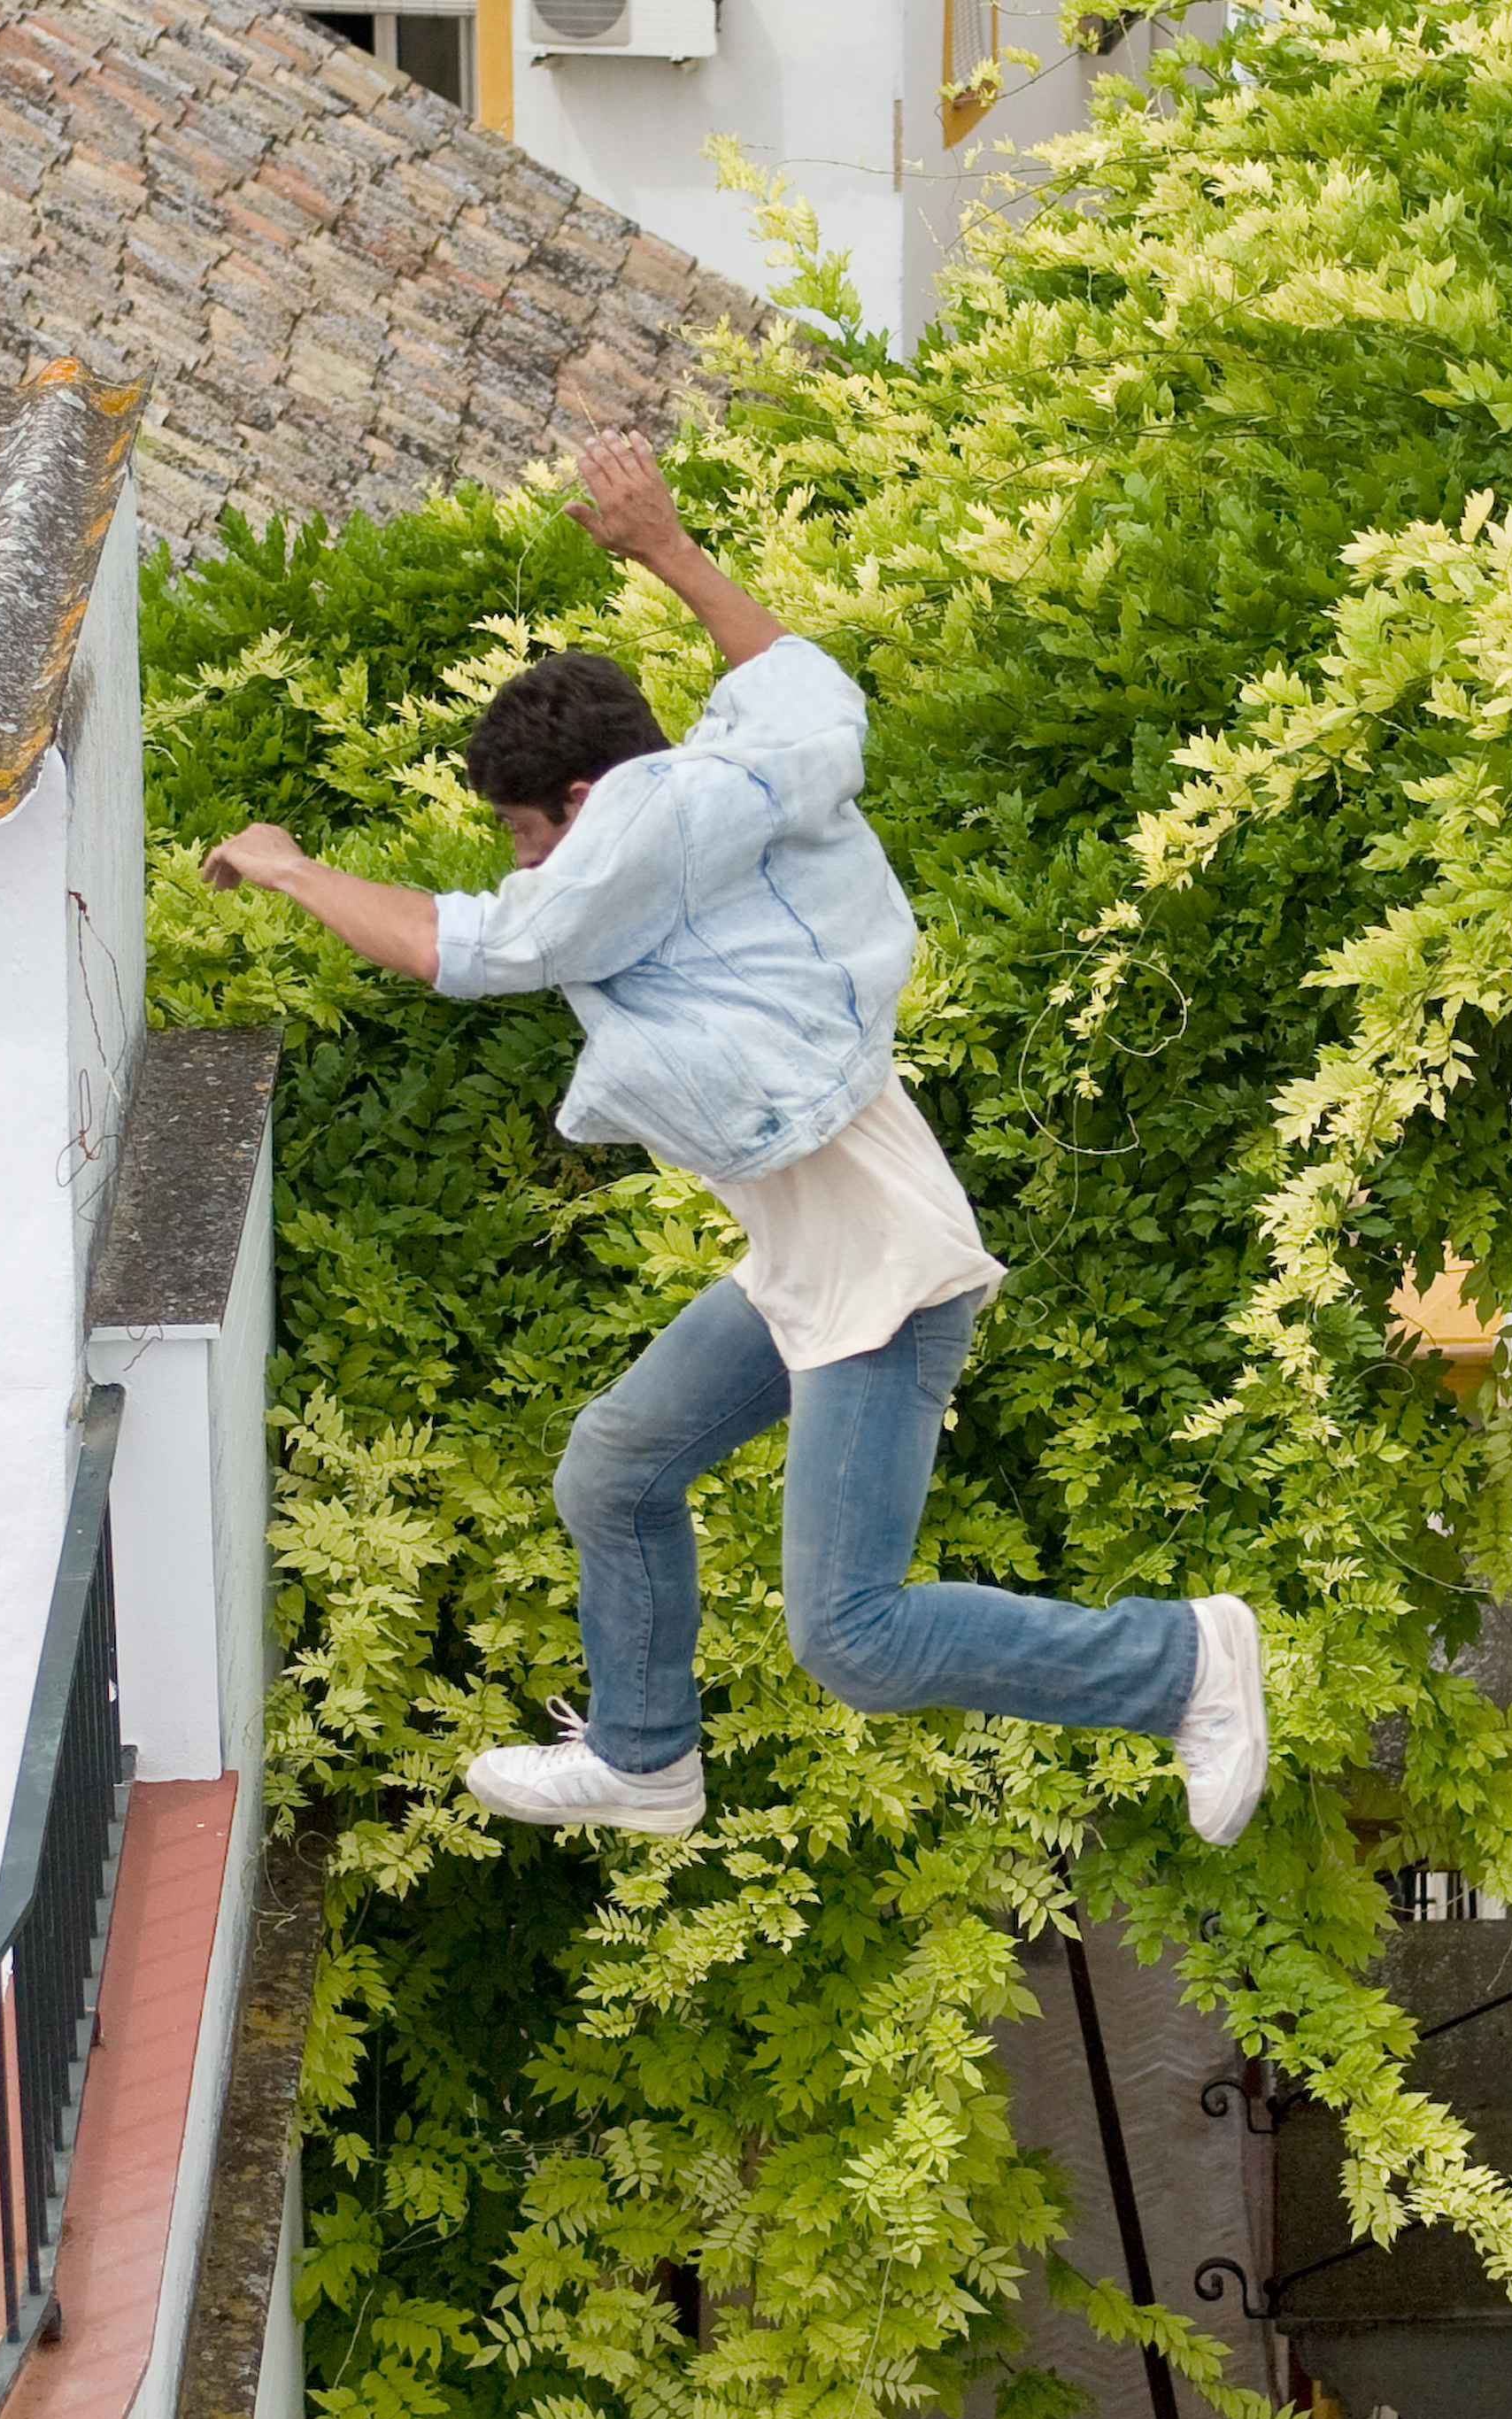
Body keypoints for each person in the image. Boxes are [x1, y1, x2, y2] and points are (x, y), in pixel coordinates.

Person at [202, 430, 1267, 1848]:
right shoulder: (730, 772)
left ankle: (1179, 1664)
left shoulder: (632, 837)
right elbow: (794, 684)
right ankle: (646, 1761)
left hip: (877, 1275)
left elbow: (471, 945)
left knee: (855, 1638)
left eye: (525, 834)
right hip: (807, 1251)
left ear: (580, 803)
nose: (526, 861)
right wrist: (660, 546)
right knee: (615, 1467)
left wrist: (284, 866)